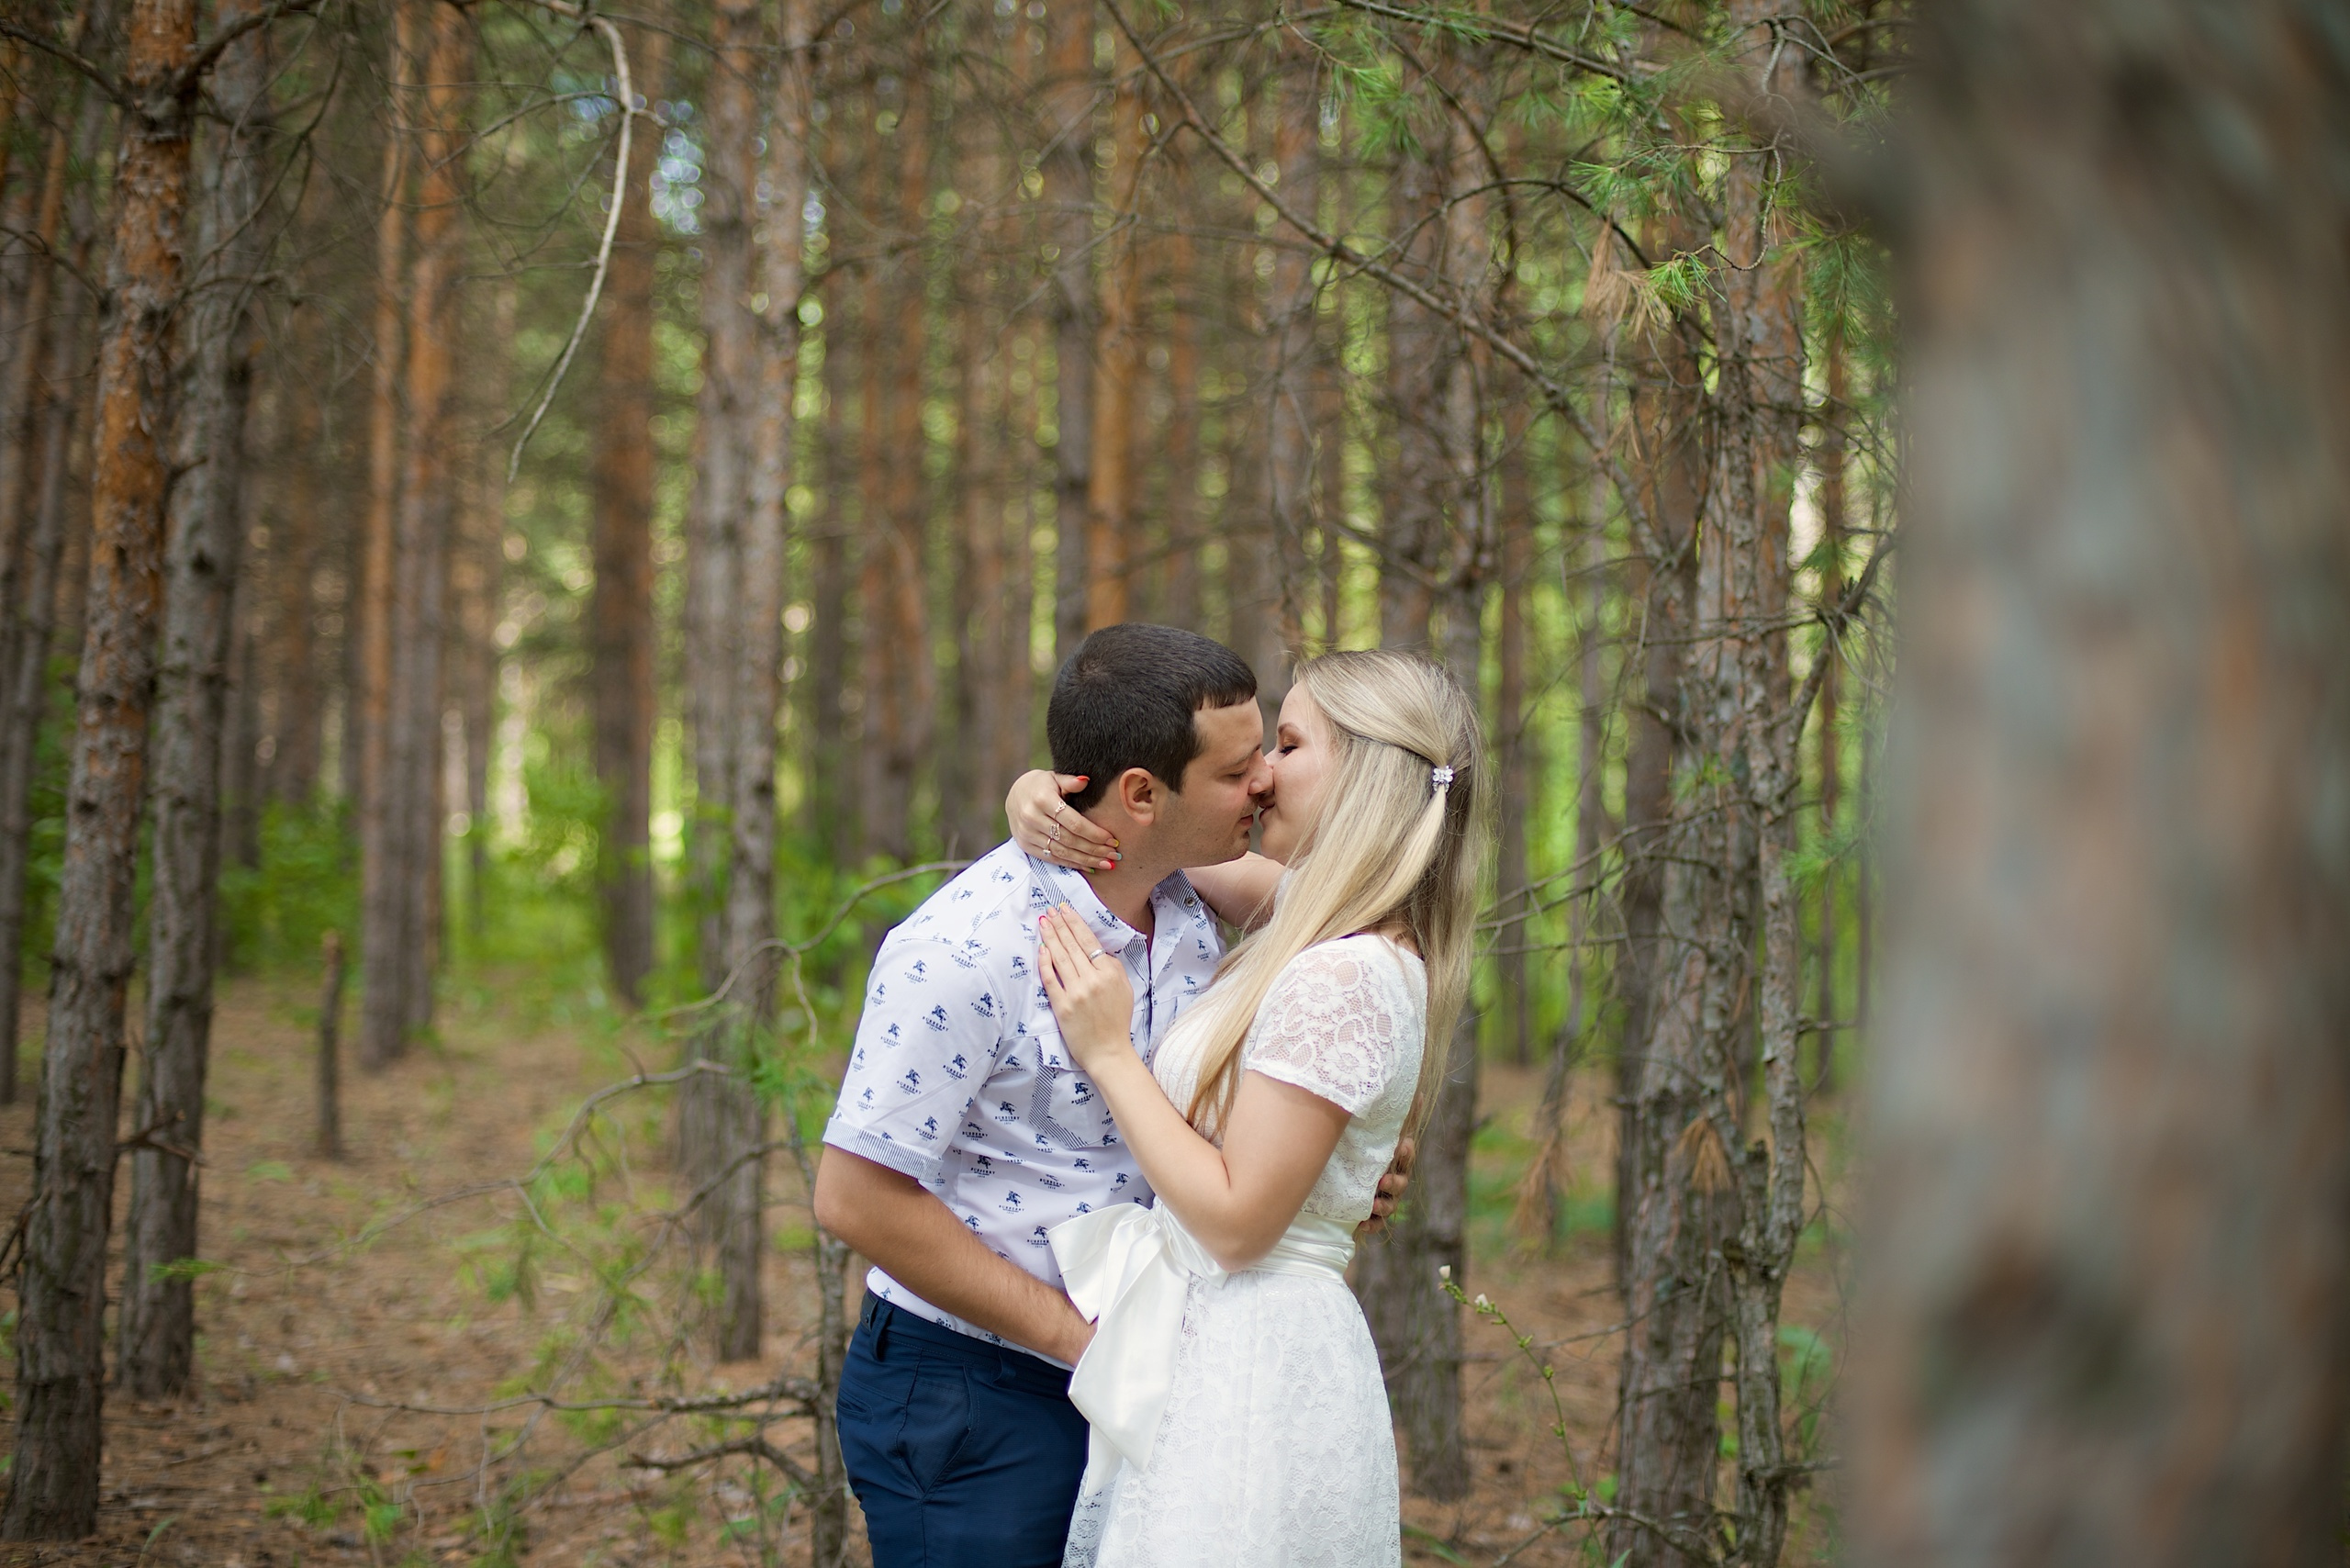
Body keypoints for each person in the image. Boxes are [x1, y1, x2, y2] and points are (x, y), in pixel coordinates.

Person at [811, 624, 1408, 1568]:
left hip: (1152, 1363)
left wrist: (1334, 1166)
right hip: (978, 1386)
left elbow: (1377, 926)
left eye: (1270, 754)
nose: (1261, 782)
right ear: (1140, 791)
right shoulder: (963, 948)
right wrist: (1082, 1343)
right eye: (1236, 768)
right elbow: (853, 1197)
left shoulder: (1195, 897)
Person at [1009, 646, 1489, 1568]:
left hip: (1252, 1359)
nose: (1261, 773)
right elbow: (1156, 844)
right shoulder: (1325, 921)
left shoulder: (1344, 971)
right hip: (1231, 1343)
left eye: (1291, 744)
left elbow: (1236, 1223)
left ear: (1366, 779)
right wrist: (1043, 793)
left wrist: (1111, 1054)